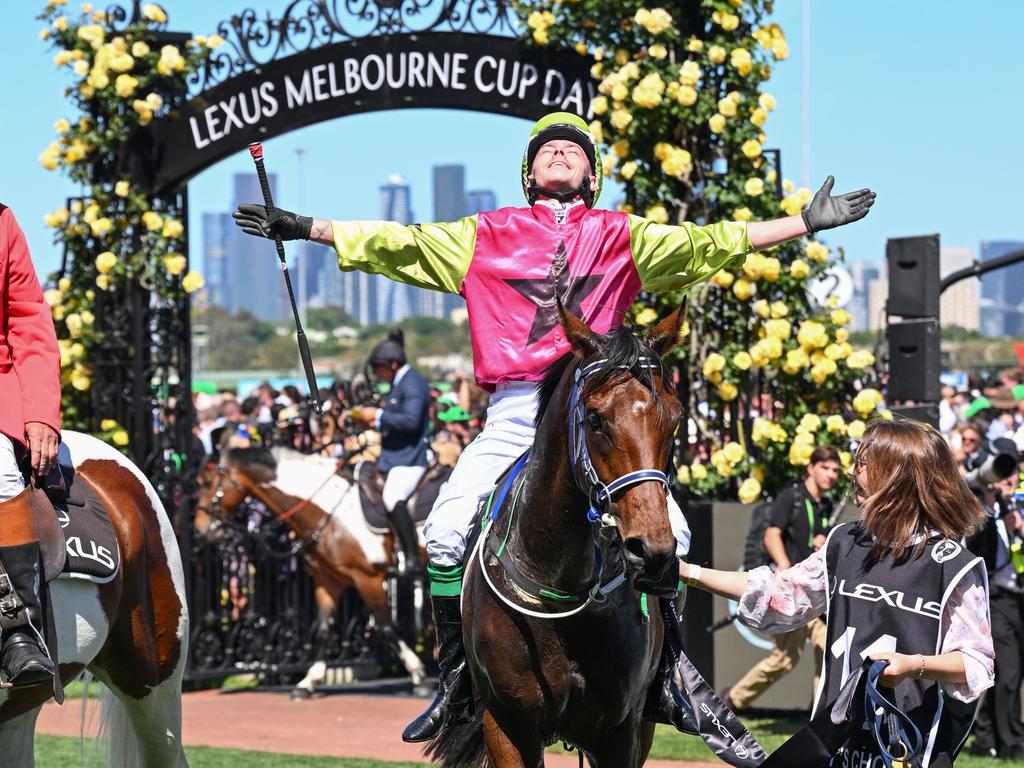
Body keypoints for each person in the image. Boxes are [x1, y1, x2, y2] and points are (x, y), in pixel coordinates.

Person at [232, 111, 876, 741]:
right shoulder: (483, 232)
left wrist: (803, 223)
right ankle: (458, 680)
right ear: (528, 174)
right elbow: (399, 243)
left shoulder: (625, 234)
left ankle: (672, 672)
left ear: (593, 177)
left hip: (597, 403)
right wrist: (303, 226)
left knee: (670, 531)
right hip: (519, 411)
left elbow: (712, 243)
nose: (561, 152)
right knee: (448, 526)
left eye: (575, 148)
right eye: (547, 148)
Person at [683, 420, 994, 767]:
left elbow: (976, 663)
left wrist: (913, 666)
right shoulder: (844, 542)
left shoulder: (952, 564)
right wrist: (688, 572)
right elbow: (780, 593)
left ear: (895, 475)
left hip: (912, 749)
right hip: (836, 748)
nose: (849, 471)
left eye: (861, 464)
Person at [723, 445, 840, 711]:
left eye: (835, 470)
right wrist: (786, 570)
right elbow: (772, 534)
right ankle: (733, 699)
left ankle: (821, 716)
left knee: (827, 652)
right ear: (810, 468)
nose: (831, 475)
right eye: (825, 468)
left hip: (815, 595)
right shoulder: (792, 496)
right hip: (792, 593)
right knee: (784, 659)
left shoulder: (825, 504)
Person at [0, 204, 61, 686]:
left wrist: (40, 414)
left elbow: (30, 325)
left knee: (0, 476)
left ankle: (18, 632)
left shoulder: (3, 221)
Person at [348, 330, 431, 574]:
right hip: (395, 456)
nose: (378, 375)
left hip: (410, 458)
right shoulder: (399, 383)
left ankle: (413, 557)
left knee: (392, 498)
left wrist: (378, 416)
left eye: (379, 368)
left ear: (393, 365)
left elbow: (411, 421)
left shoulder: (412, 382)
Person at [965, 471, 1024, 758]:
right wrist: (994, 506)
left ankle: (987, 737)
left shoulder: (1016, 511)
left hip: (1017, 598)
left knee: (1008, 672)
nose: (1009, 482)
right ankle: (1012, 742)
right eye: (1003, 476)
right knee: (1008, 672)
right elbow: (976, 547)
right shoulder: (982, 512)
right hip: (995, 599)